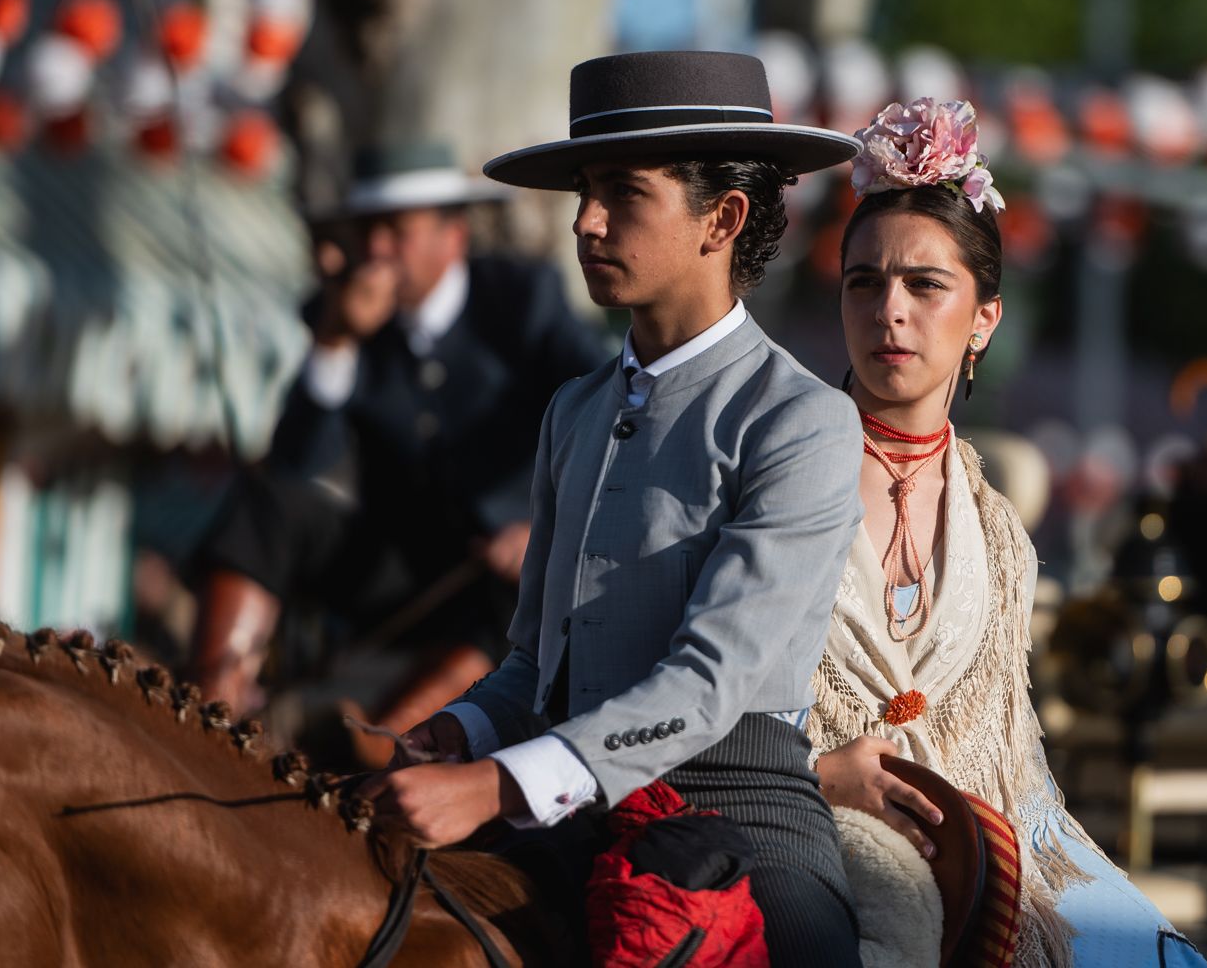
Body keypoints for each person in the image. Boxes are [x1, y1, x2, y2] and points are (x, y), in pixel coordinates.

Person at [359, 52, 869, 965]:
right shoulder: (576, 408)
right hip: (563, 816)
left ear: (724, 217)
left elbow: (708, 683)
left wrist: (496, 785)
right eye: (584, 193)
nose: (585, 222)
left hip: (739, 817)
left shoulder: (802, 421)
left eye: (622, 195)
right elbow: (532, 662)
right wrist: (463, 729)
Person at [805, 99, 1207, 967]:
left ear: (984, 319)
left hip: (978, 843)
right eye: (864, 282)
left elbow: (1011, 770)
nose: (890, 311)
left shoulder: (997, 529)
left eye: (924, 284)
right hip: (805, 829)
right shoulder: (778, 478)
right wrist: (818, 776)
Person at [190, 142, 611, 749]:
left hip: (501, 572)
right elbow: (298, 462)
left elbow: (607, 403)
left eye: (396, 230)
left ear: (452, 236)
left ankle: (392, 744)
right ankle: (209, 710)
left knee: (515, 600)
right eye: (368, 232)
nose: (378, 250)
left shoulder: (521, 299)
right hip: (392, 562)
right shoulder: (341, 312)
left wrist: (542, 523)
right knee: (267, 503)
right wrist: (336, 341)